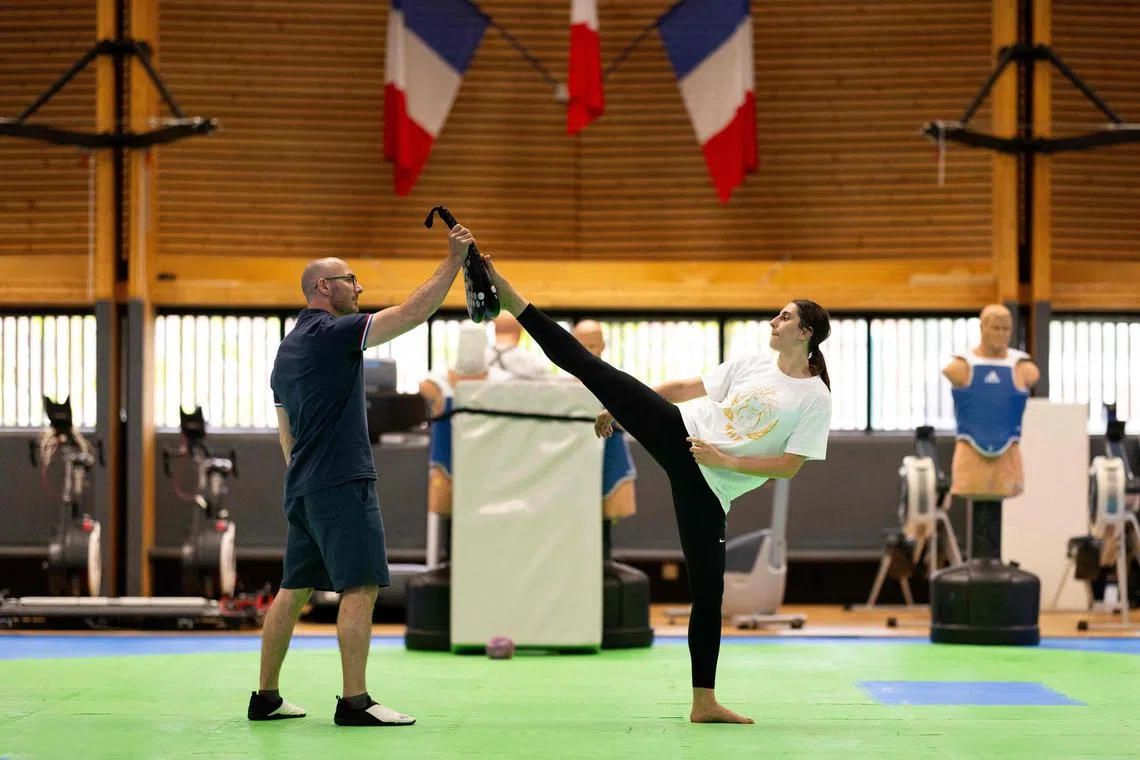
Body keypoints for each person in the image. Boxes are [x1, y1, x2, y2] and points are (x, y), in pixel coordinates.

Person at [482, 256, 833, 724]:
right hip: (680, 431)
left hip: (710, 485)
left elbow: (790, 466)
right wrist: (626, 404)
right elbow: (689, 387)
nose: (774, 321)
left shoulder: (815, 398)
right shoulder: (753, 363)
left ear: (806, 332)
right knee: (592, 368)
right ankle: (508, 294)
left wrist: (727, 461)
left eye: (785, 316)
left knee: (709, 592)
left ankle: (703, 703)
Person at [247, 222, 475, 727]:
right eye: (351, 279)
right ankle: (355, 702)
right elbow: (414, 313)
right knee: (362, 584)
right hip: (341, 480)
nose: (359, 288)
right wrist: (452, 263)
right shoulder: (334, 333)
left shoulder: (286, 351)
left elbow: (285, 434)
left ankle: (265, 696)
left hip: (303, 483)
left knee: (295, 586)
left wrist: (308, 475)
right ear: (323, 287)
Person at [942, 304, 1039, 558]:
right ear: (982, 327)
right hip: (970, 454)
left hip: (1008, 454)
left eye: (1007, 328)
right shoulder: (960, 366)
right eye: (995, 327)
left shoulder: (1023, 367)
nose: (1002, 333)